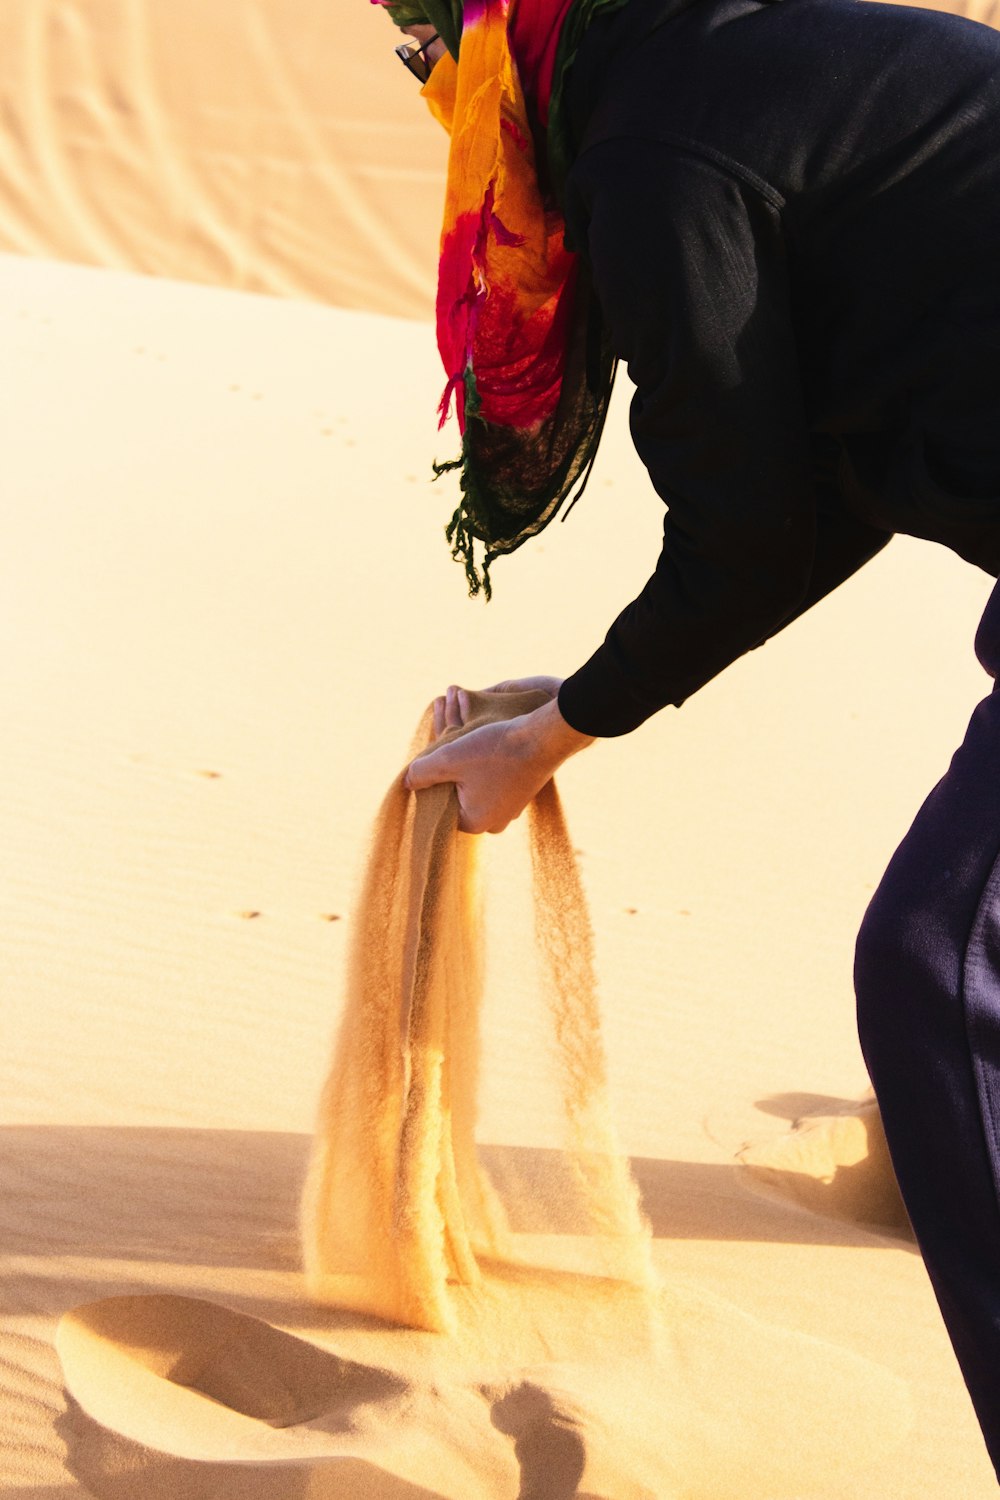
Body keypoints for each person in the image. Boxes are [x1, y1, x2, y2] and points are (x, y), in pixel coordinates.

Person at [383, 0, 1000, 1475]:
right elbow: (824, 484)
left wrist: (564, 728)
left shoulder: (660, 152)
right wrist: (583, 706)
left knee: (936, 965)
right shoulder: (762, 63)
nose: (437, 94)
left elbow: (752, 520)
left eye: (433, 54)